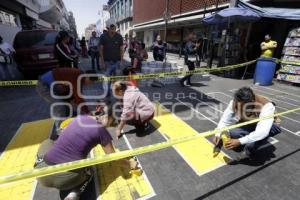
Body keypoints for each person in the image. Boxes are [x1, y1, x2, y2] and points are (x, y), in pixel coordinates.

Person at [35, 115, 139, 200]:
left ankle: (38, 161)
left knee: (47, 142)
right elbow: (114, 159)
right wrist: (130, 164)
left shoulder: (80, 118)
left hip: (42, 174)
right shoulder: (101, 131)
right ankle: (73, 194)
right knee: (90, 170)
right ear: (111, 123)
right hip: (66, 179)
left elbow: (64, 129)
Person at [213, 87, 281, 161]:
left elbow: (262, 131)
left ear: (251, 101)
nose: (240, 108)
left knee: (257, 138)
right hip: (250, 121)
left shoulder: (266, 105)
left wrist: (239, 141)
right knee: (233, 132)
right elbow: (225, 120)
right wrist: (218, 133)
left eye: (243, 106)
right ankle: (248, 138)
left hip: (270, 126)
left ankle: (248, 151)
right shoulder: (235, 102)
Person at [36, 68, 96, 134]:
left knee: (68, 106)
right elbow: (78, 97)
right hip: (44, 86)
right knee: (60, 106)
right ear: (87, 77)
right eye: (91, 82)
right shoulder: (78, 76)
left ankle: (71, 124)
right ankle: (60, 131)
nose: (90, 84)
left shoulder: (79, 76)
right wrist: (87, 112)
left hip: (53, 87)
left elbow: (74, 96)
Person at [99, 20, 124, 97]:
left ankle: (118, 95)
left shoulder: (119, 37)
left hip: (117, 62)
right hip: (107, 62)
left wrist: (122, 61)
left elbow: (121, 49)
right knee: (108, 81)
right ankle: (108, 95)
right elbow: (101, 49)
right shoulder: (103, 37)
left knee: (117, 80)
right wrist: (102, 62)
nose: (113, 29)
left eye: (114, 28)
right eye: (111, 28)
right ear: (108, 28)